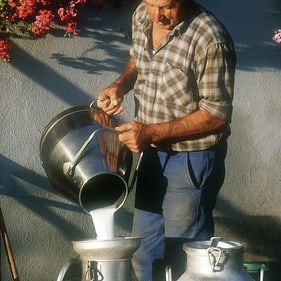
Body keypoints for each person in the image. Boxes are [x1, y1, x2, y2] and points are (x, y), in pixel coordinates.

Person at [92, 0, 236, 280]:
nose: (158, 16)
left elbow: (217, 115)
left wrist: (150, 133)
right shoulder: (143, 15)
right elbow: (138, 59)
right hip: (153, 154)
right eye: (151, 4)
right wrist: (119, 86)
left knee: (184, 259)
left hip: (191, 159)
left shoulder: (210, 38)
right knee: (143, 255)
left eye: (167, 6)